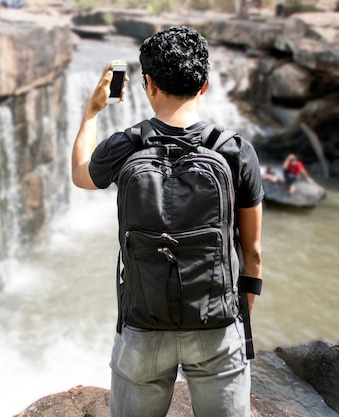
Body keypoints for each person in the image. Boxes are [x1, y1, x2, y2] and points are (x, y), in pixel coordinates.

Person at [71, 26, 263, 416]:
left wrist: (91, 112)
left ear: (149, 84)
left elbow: (79, 174)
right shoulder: (235, 151)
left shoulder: (125, 145)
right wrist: (235, 318)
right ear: (205, 84)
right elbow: (253, 252)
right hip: (216, 326)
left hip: (143, 327)